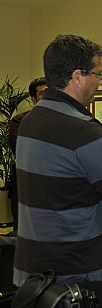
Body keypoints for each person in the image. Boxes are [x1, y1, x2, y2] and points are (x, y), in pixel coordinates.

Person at [14, 34, 102, 285]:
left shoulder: (29, 121)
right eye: (98, 74)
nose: (101, 82)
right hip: (76, 272)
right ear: (77, 76)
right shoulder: (82, 130)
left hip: (34, 266)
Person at [8, 77, 47, 232]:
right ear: (33, 100)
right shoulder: (20, 122)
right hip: (27, 187)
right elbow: (24, 152)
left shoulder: (64, 121)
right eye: (44, 94)